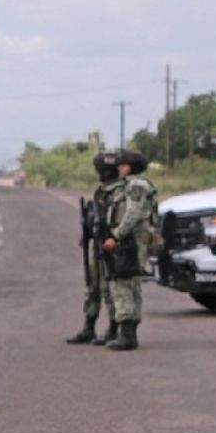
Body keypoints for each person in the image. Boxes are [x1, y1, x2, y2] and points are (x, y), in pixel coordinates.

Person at [102, 149, 156, 351]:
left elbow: (132, 214)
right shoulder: (134, 184)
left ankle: (127, 334)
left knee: (123, 283)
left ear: (132, 167)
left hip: (132, 240)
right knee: (130, 284)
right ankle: (128, 333)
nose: (119, 168)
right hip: (134, 239)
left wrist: (116, 235)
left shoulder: (136, 185)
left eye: (123, 165)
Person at [66, 152, 120, 345]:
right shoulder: (101, 191)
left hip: (110, 245)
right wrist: (87, 231)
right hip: (96, 243)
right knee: (92, 287)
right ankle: (89, 327)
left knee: (108, 288)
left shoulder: (119, 192)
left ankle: (113, 329)